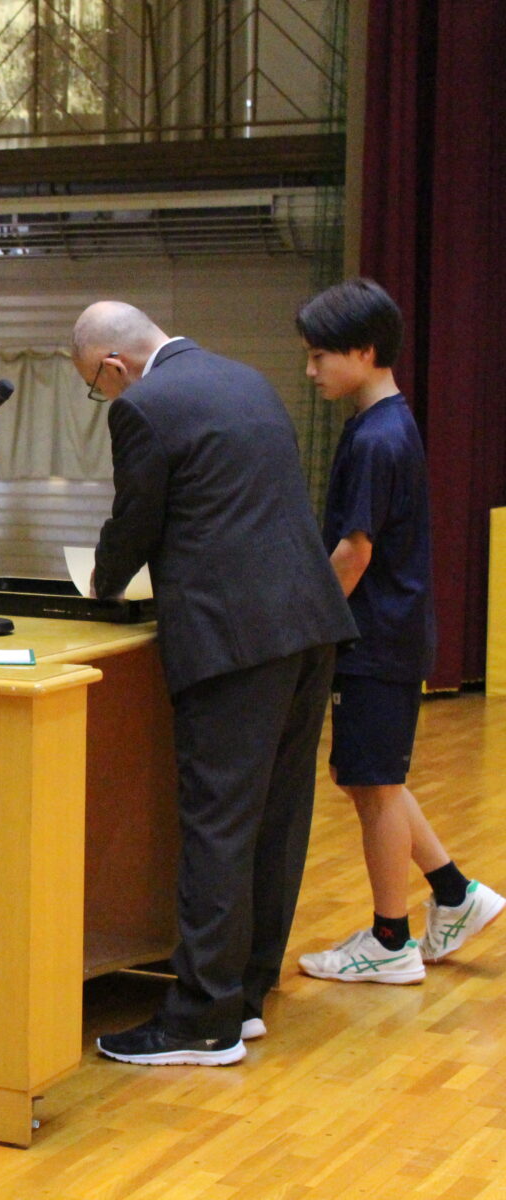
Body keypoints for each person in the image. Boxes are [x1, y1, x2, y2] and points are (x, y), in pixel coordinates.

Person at [73, 301, 357, 1067]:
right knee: (276, 816)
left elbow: (136, 520)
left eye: (98, 389)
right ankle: (244, 992)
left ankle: (201, 1019)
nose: (107, 401)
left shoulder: (147, 408)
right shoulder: (247, 381)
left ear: (112, 368)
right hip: (309, 624)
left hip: (234, 638)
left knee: (218, 822)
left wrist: (97, 587)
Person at [293, 279, 502, 982]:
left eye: (321, 355)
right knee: (369, 778)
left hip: (375, 637)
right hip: (389, 634)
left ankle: (389, 941)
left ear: (365, 350)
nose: (312, 369)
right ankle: (454, 893)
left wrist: (305, 624)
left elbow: (355, 552)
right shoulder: (380, 423)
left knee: (373, 784)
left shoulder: (379, 437)